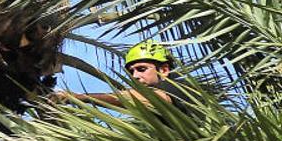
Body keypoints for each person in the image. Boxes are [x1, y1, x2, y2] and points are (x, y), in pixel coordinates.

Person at [54, 40, 192, 113]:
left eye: (142, 69)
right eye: (131, 72)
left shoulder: (179, 88)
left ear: (164, 70)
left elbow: (151, 99)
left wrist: (80, 98)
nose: (135, 76)